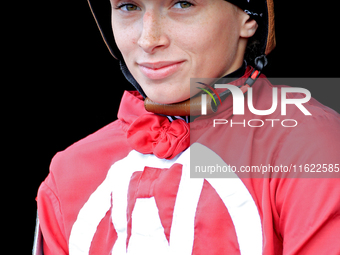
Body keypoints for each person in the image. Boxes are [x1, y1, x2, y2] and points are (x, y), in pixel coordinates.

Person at [33, 0, 340, 254]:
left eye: (182, 4)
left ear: (249, 17)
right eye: (128, 6)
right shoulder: (69, 172)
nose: (148, 39)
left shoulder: (311, 148)